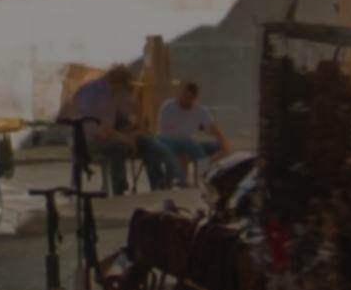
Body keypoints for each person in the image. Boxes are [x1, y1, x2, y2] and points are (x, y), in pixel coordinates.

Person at [61, 64, 146, 193]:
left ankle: (119, 187)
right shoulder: (91, 91)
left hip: (102, 137)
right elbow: (88, 124)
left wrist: (136, 115)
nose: (122, 91)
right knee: (119, 146)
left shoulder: (113, 93)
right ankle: (119, 188)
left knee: (135, 144)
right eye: (122, 87)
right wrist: (122, 138)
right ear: (116, 82)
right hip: (84, 139)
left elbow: (127, 112)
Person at [146, 80, 227, 186]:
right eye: (183, 96)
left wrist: (225, 147)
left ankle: (207, 171)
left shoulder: (199, 110)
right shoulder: (168, 107)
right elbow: (166, 133)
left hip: (190, 144)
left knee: (215, 145)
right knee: (190, 144)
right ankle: (203, 172)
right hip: (167, 141)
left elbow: (214, 129)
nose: (185, 100)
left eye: (189, 98)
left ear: (194, 98)